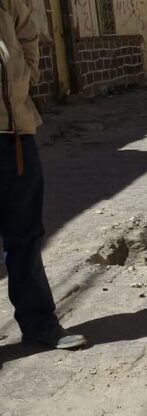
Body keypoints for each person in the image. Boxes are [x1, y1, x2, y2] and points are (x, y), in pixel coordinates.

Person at [1, 0, 87, 350]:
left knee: (25, 234)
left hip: (15, 132)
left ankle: (39, 325)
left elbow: (27, 32)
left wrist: (27, 73)